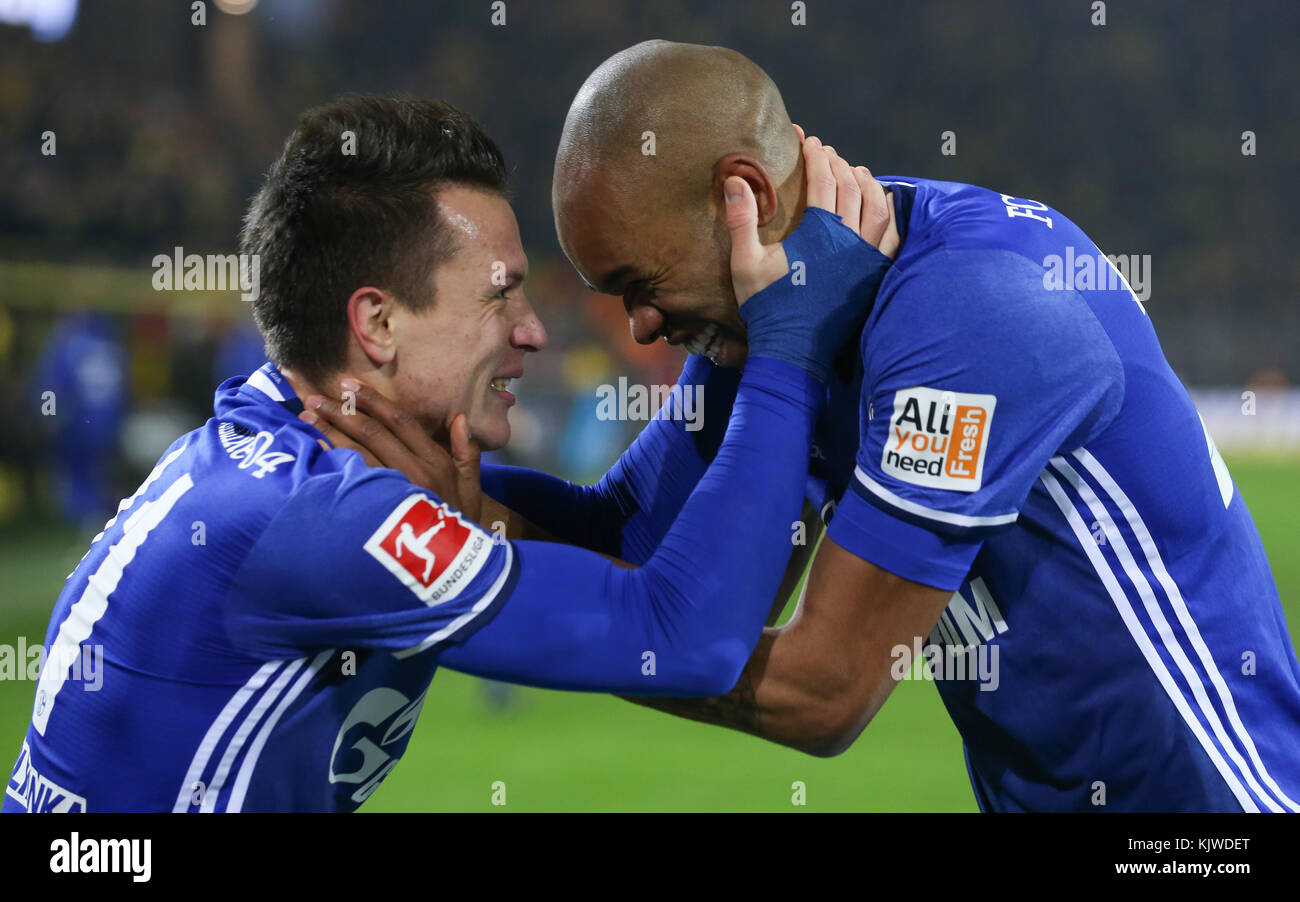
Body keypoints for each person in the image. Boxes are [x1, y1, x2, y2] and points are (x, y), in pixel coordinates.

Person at [324, 42, 1300, 812]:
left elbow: (824, 689)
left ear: (741, 200)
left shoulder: (971, 312)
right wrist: (432, 501)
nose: (644, 327)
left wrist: (474, 606)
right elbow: (635, 538)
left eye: (638, 284)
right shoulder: (789, 312)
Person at [2, 93, 885, 813]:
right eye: (499, 297)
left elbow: (632, 547)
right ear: (377, 323)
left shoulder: (295, 440)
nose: (533, 331)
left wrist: (728, 332)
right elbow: (684, 637)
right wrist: (791, 342)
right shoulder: (323, 515)